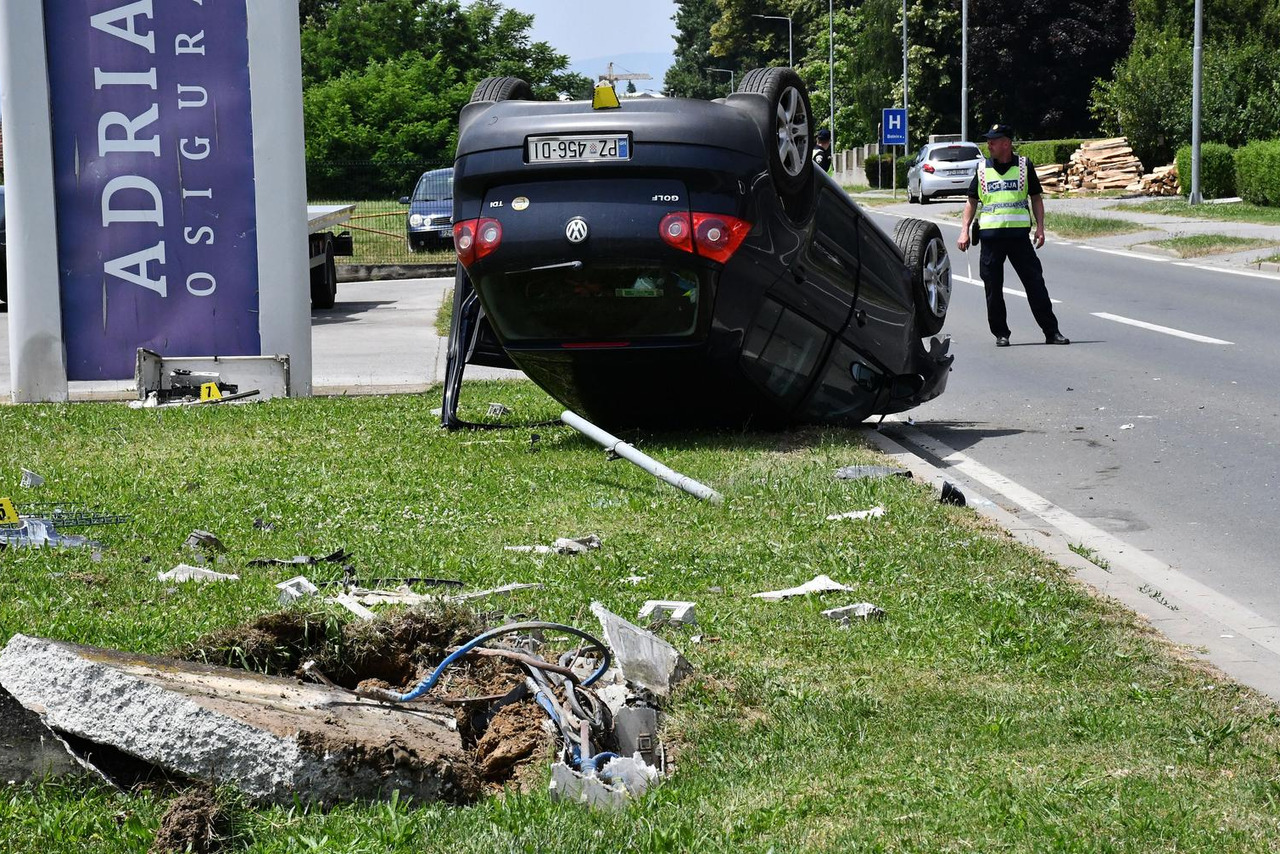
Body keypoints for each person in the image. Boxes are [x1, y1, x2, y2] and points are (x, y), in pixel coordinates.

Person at [957, 123, 1069, 347]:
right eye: (989, 140)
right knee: (993, 289)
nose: (989, 144)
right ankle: (1001, 333)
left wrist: (1040, 227)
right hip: (990, 240)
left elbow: (1036, 198)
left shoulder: (1024, 166)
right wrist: (964, 231)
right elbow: (971, 201)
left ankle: (1051, 332)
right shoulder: (982, 169)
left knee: (1035, 285)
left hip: (1019, 239)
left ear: (1006, 143)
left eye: (994, 140)